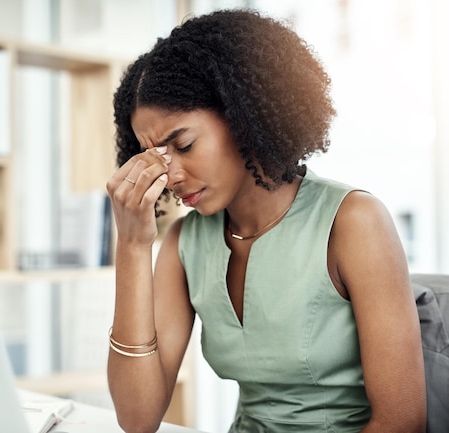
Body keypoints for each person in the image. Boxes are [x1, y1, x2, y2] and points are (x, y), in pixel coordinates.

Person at [105, 8, 426, 433]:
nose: (171, 175)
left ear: (243, 115)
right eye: (155, 158)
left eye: (182, 144)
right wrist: (131, 245)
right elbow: (137, 418)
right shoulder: (186, 242)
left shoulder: (353, 223)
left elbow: (403, 421)